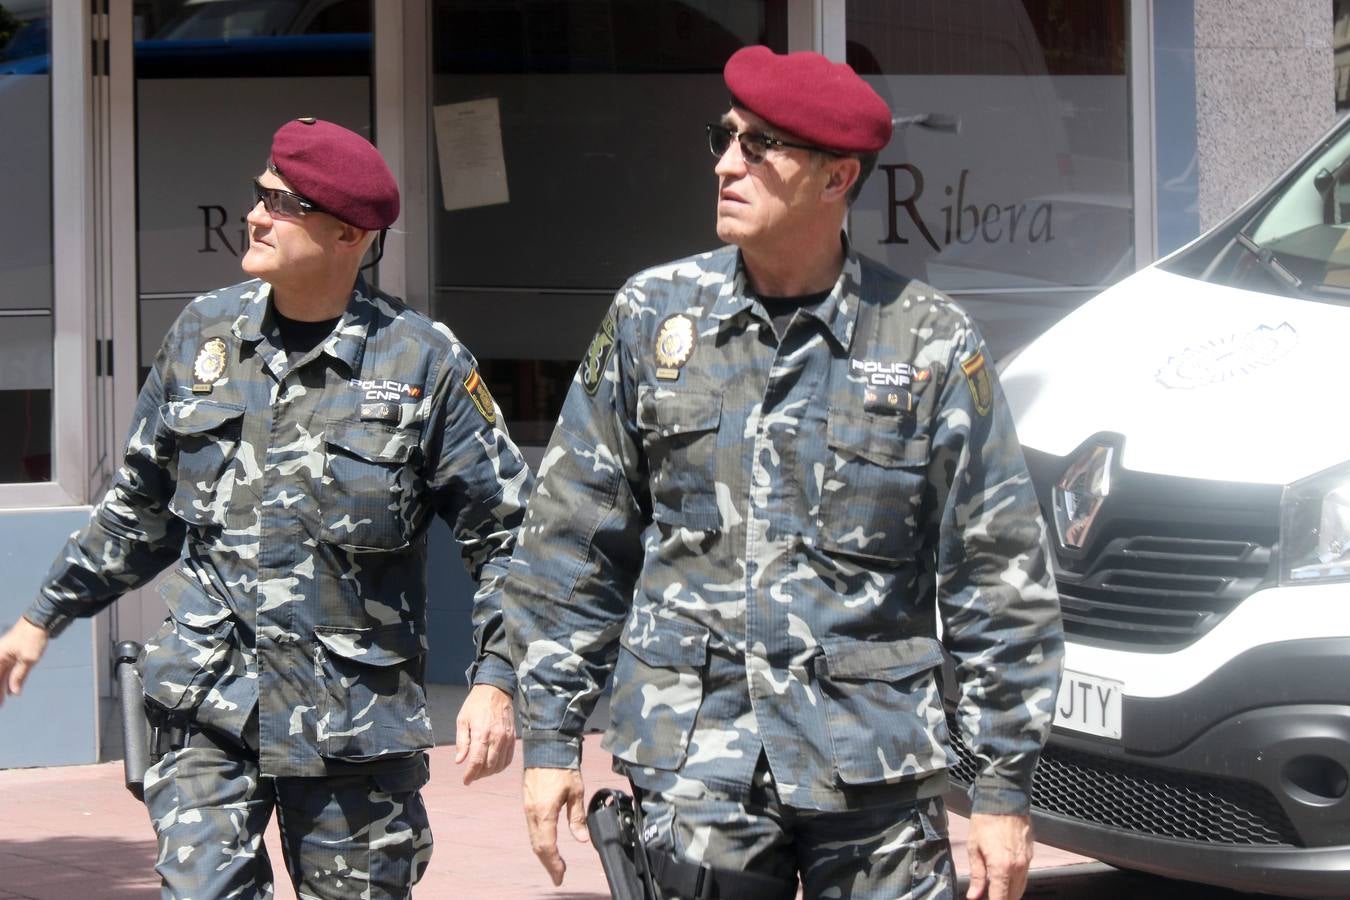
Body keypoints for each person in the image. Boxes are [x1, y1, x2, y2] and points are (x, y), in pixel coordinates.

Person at [505, 46, 1063, 900]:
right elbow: (574, 540)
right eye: (725, 139)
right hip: (696, 763)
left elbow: (998, 575)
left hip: (873, 767)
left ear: (836, 178)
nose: (727, 164)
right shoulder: (653, 317)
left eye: (760, 147)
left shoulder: (926, 342)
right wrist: (549, 738)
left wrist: (1000, 787)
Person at [0, 118, 531, 898]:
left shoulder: (421, 363)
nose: (255, 215)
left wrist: (497, 679)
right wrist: (43, 613)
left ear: (349, 232)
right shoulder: (205, 335)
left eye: (284, 203)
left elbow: (510, 536)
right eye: (260, 194)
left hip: (351, 728)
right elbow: (141, 508)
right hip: (208, 703)